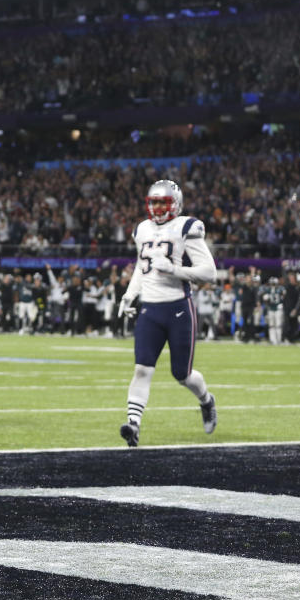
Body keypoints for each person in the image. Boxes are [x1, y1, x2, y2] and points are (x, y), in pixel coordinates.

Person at [116, 180, 217, 447]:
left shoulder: (186, 226)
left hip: (177, 308)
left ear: (176, 204)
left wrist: (176, 271)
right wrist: (129, 294)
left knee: (182, 374)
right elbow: (141, 267)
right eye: (154, 202)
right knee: (142, 369)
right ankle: (133, 425)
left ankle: (206, 400)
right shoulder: (141, 229)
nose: (158, 208)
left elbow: (210, 273)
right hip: (150, 308)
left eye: (164, 202)